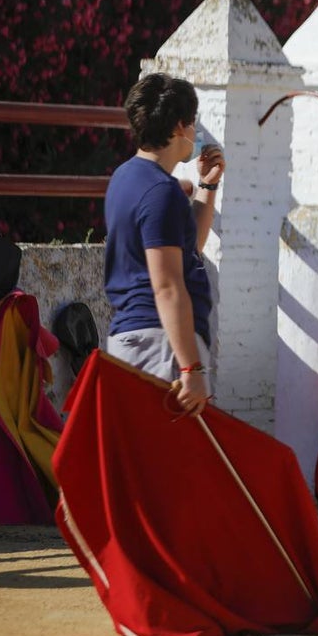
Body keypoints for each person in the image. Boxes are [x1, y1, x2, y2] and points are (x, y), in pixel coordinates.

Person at [104, 73, 225, 415]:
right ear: (178, 128)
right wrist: (191, 368)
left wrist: (207, 186)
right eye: (193, 123)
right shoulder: (162, 193)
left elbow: (187, 250)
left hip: (135, 340)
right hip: (161, 346)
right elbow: (168, 286)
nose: (196, 133)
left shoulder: (125, 177)